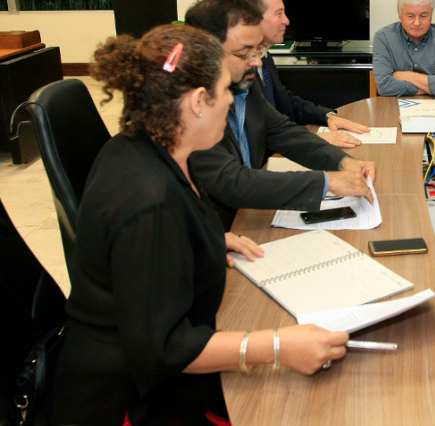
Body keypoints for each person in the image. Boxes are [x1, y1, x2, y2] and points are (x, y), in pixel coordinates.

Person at [51, 24, 349, 424]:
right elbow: (164, 349)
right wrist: (275, 345)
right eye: (225, 90)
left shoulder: (145, 147)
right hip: (129, 401)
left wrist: (207, 239)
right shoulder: (149, 202)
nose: (231, 100)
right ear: (196, 102)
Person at [185, 0, 376, 230]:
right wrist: (327, 182)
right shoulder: (190, 108)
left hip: (245, 219)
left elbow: (281, 130)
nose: (256, 62)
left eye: (258, 51)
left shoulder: (245, 79)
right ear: (207, 52)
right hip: (212, 230)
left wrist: (342, 161)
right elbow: (230, 180)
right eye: (246, 52)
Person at [233, 0, 370, 149]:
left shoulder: (265, 55)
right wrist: (314, 139)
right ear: (252, 17)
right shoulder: (238, 71)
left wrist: (327, 116)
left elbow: (285, 100)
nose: (287, 21)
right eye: (279, 13)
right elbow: (256, 132)